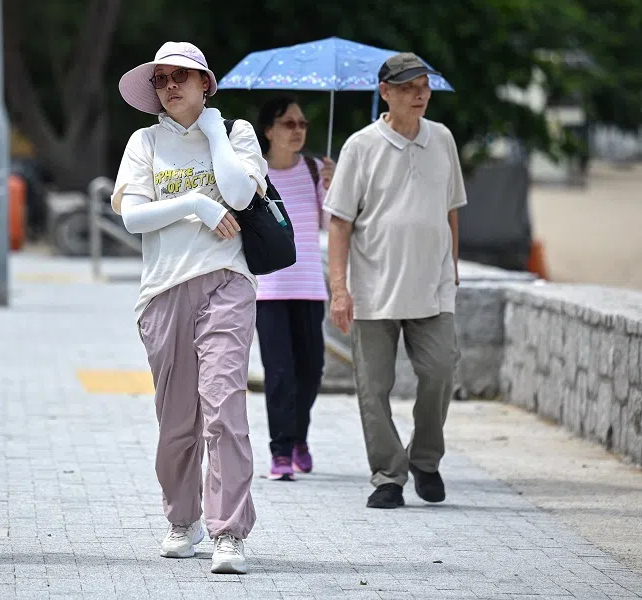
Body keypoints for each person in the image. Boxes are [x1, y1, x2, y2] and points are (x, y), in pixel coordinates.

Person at [112, 41, 268, 574]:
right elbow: (133, 217)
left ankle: (229, 533)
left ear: (207, 83)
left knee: (225, 409)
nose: (171, 85)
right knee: (177, 421)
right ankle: (184, 520)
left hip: (227, 281)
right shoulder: (144, 141)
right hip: (162, 292)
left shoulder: (238, 134)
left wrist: (217, 131)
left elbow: (241, 196)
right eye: (161, 79)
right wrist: (198, 206)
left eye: (183, 75)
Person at [324, 53, 465, 509]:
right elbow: (340, 223)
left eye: (424, 85)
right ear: (385, 92)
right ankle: (388, 474)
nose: (419, 94)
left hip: (433, 287)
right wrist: (340, 290)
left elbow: (450, 211)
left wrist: (453, 266)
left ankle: (425, 458)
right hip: (373, 290)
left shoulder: (442, 139)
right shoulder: (360, 146)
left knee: (440, 371)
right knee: (374, 387)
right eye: (407, 87)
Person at [253, 96, 335, 481]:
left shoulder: (315, 169)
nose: (299, 130)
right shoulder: (254, 173)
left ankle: (299, 437)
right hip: (269, 290)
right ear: (268, 130)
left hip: (310, 288)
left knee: (311, 370)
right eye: (289, 123)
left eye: (303, 124)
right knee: (280, 372)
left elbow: (332, 224)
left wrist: (333, 188)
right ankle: (281, 450)